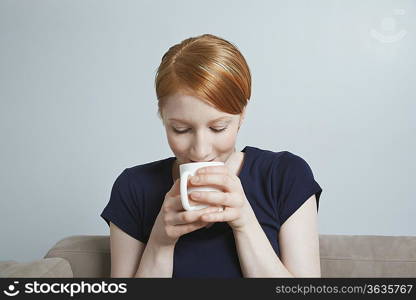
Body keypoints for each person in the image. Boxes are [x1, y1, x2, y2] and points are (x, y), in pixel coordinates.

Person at [100, 33, 323, 278]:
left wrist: (245, 222)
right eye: (181, 130)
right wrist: (160, 243)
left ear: (242, 114)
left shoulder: (285, 176)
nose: (200, 150)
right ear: (161, 115)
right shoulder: (134, 188)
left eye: (218, 128)